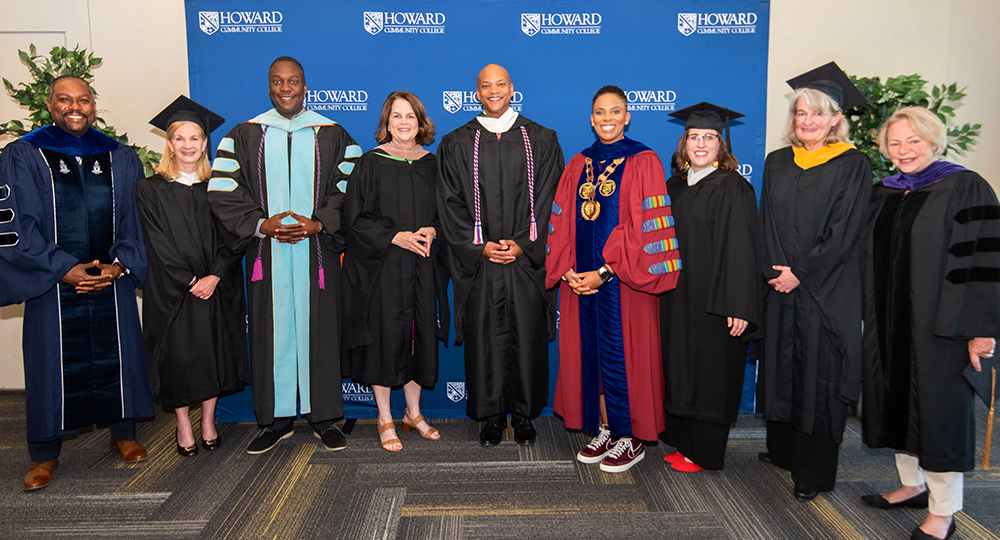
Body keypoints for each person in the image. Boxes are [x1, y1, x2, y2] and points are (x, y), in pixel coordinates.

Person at [0, 75, 153, 490]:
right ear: (49, 105)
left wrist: (118, 266)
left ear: (94, 105)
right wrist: (62, 268)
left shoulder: (120, 156)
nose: (74, 107)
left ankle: (123, 435)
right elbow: (17, 224)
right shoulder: (24, 154)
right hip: (53, 283)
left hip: (111, 281)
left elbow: (136, 222)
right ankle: (44, 454)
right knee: (50, 363)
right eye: (64, 100)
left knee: (118, 353)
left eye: (83, 100)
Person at [208, 56, 361, 454]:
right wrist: (262, 224)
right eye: (278, 81)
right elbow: (224, 189)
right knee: (270, 334)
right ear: (269, 86)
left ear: (305, 86)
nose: (286, 88)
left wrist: (320, 222)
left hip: (317, 253)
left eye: (293, 81)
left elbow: (352, 187)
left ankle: (324, 416)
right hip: (267, 253)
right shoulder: (244, 135)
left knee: (320, 333)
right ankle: (275, 420)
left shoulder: (333, 134)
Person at [859, 107, 999, 540]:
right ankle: (911, 485)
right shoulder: (885, 192)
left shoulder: (964, 186)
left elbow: (984, 263)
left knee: (939, 416)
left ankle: (943, 511)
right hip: (889, 322)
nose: (903, 151)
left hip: (942, 329)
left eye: (913, 141)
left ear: (934, 142)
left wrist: (981, 330)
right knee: (898, 405)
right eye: (895, 143)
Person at [546, 85, 680, 473]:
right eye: (600, 113)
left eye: (615, 112)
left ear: (627, 116)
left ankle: (631, 436)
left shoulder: (644, 161)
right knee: (592, 357)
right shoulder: (579, 163)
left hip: (625, 284)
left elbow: (644, 230)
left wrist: (605, 272)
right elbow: (561, 221)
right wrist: (569, 270)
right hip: (581, 284)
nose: (607, 119)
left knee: (627, 357)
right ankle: (606, 428)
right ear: (591, 118)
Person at [757, 62, 872, 500]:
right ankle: (784, 449)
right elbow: (766, 222)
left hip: (825, 291)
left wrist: (800, 273)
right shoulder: (778, 162)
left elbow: (845, 230)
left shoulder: (852, 164)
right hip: (782, 287)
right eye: (801, 113)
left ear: (836, 119)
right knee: (784, 368)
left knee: (820, 379)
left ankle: (815, 472)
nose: (808, 121)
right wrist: (776, 272)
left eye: (818, 114)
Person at [437, 63, 563, 446]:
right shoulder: (457, 142)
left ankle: (524, 415)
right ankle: (490, 415)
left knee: (526, 335)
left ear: (512, 89)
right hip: (481, 263)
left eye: (500, 84)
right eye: (485, 86)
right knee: (485, 338)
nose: (493, 91)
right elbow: (449, 204)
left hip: (524, 263)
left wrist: (523, 244)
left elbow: (551, 199)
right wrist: (481, 247)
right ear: (477, 92)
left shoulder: (541, 138)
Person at [136, 96, 249, 457]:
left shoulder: (220, 187)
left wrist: (215, 276)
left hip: (215, 286)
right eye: (180, 138)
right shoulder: (150, 189)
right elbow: (156, 242)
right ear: (169, 144)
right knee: (180, 359)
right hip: (174, 291)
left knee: (213, 354)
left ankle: (208, 421)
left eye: (195, 138)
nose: (188, 145)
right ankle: (183, 422)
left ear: (205, 143)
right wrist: (189, 280)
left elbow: (234, 237)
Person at [342, 91, 450, 452]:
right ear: (386, 123)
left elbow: (449, 214)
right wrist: (394, 237)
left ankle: (414, 413)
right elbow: (354, 220)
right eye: (396, 117)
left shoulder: (433, 164)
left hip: (422, 264)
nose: (403, 123)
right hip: (383, 268)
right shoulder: (371, 163)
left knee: (418, 337)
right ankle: (385, 416)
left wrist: (433, 229)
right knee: (387, 339)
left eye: (410, 117)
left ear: (421, 123)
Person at [659, 102, 763, 472]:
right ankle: (684, 442)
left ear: (722, 144)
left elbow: (743, 248)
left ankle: (705, 452)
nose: (700, 144)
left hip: (716, 298)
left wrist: (739, 304)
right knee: (681, 365)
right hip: (677, 295)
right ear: (683, 143)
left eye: (709, 137)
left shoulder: (734, 187)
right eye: (693, 137)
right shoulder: (674, 185)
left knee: (710, 371)